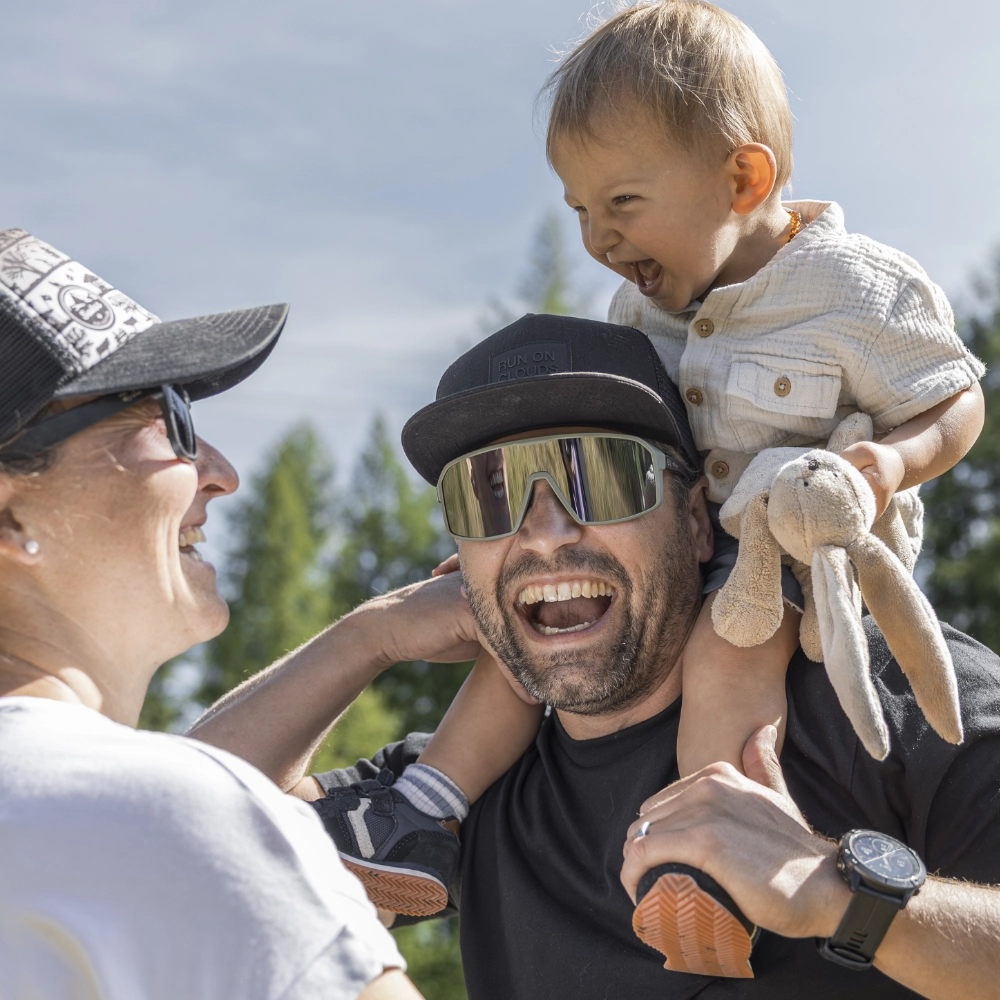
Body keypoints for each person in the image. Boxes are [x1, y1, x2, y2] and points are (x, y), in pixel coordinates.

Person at [308, 0, 988, 967]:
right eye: (579, 210)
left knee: (726, 653)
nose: (597, 236)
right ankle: (425, 809)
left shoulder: (856, 292)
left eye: (621, 203)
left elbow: (953, 396)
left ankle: (708, 850)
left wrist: (890, 463)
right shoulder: (645, 311)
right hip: (705, 557)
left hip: (800, 556)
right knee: (511, 638)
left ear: (744, 177)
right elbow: (181, 808)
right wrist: (381, 627)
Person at [192, 314, 1000, 999]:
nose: (544, 533)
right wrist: (371, 633)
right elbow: (177, 826)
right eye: (490, 495)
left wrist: (837, 890)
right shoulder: (458, 786)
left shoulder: (888, 701)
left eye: (601, 478)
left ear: (693, 520)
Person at [0, 228, 423, 1000]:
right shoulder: (175, 824)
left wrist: (371, 634)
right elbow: (171, 813)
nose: (221, 474)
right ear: (9, 519)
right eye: (167, 417)